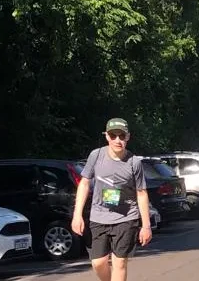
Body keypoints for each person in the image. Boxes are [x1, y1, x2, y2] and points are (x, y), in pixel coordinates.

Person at [71, 118, 151, 281]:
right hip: (98, 218)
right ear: (107, 136)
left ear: (128, 137)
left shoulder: (134, 163)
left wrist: (146, 226)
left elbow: (141, 194)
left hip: (126, 219)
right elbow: (84, 184)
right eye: (113, 136)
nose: (118, 140)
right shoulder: (96, 155)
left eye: (122, 136)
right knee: (98, 263)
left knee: (119, 263)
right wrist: (77, 215)